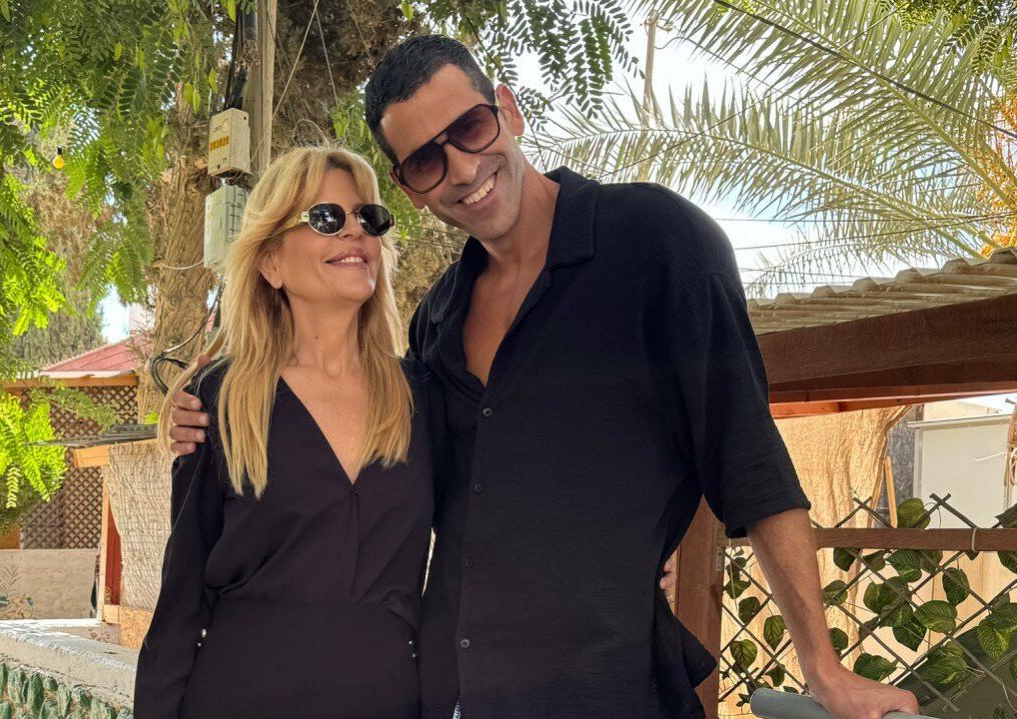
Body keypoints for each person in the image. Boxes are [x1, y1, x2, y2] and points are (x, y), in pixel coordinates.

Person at [169, 36, 919, 719]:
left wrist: (822, 669)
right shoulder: (437, 320)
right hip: (449, 695)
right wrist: (224, 401)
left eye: (470, 128)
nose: (463, 170)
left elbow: (749, 462)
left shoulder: (656, 242)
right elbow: (388, 474)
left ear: (508, 110)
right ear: (409, 188)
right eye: (427, 161)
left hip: (607, 691)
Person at [133, 146, 443, 719]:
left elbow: (477, 545)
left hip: (387, 700)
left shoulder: (423, 397)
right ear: (271, 262)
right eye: (326, 217)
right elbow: (181, 597)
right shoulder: (221, 400)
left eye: (369, 217)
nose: (354, 231)